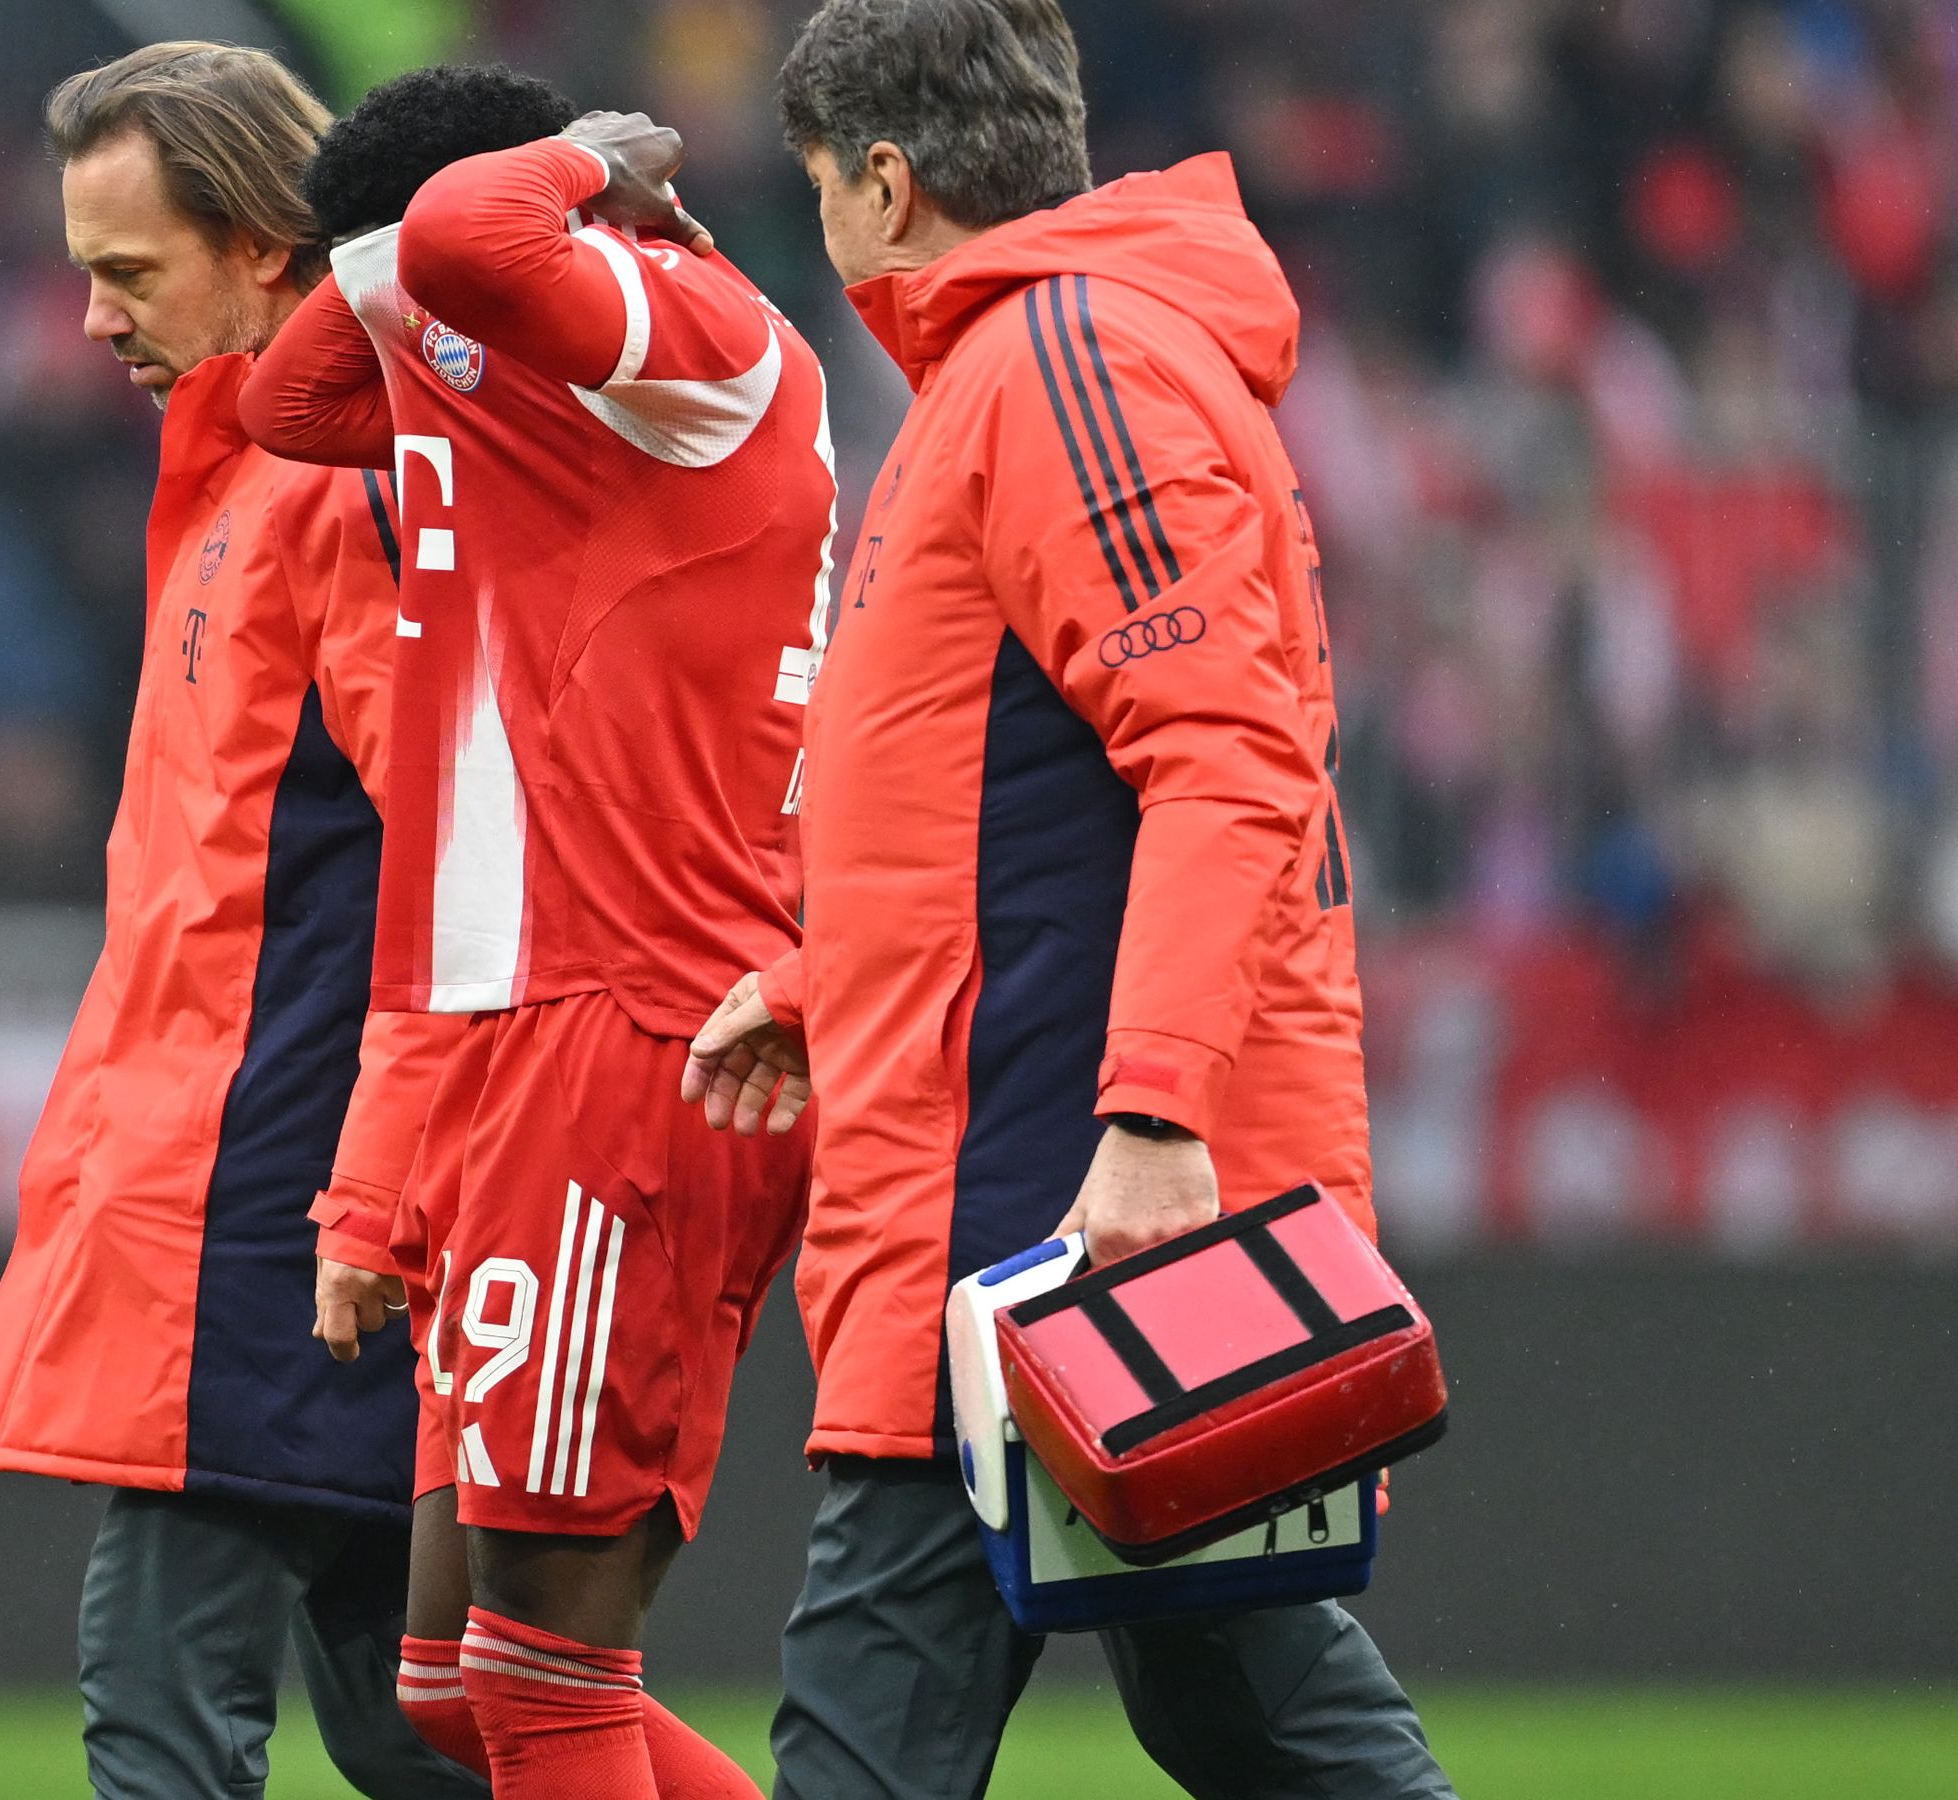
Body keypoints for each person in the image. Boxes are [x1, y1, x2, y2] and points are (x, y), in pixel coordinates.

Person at [680, 3, 1458, 1796]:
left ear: (888, 182)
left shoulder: (1056, 360)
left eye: (821, 184)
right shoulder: (1041, 364)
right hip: (1050, 1186)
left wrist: (1156, 1115)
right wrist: (823, 984)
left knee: (869, 1741)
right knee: (1245, 1711)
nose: (824, 224)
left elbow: (1226, 757)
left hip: (1039, 1223)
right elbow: (1028, 803)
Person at [244, 64, 833, 1799]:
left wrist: (581, 159)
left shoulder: (696, 335)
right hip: (530, 1034)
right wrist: (394, 262)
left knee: (545, 1671)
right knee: (450, 1687)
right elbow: (287, 399)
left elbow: (461, 238)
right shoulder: (521, 387)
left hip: (642, 1028)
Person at [0, 43, 482, 1800]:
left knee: (164, 1705)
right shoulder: (250, 473)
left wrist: (374, 1189)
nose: (93, 318)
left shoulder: (344, 486)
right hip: (267, 1194)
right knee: (428, 1731)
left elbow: (451, 864)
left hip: (281, 1210)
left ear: (262, 248)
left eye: (127, 272)